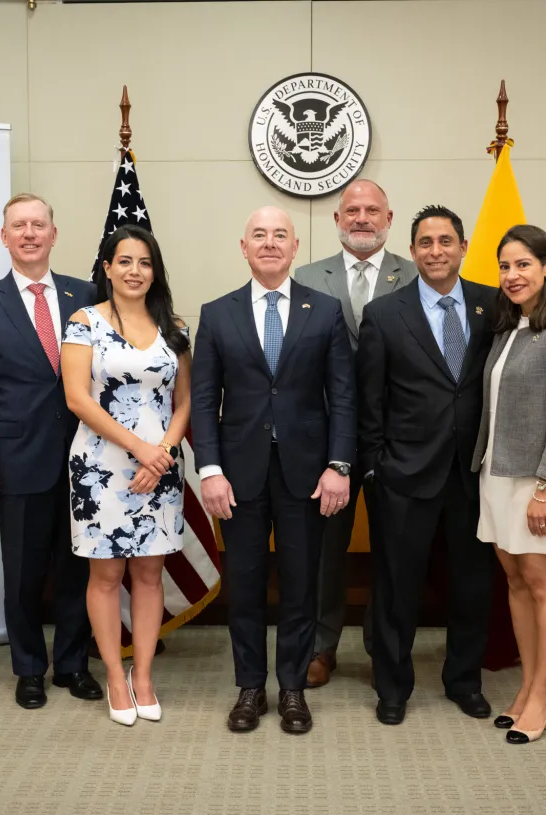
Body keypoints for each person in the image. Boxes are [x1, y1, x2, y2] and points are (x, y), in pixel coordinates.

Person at [191, 206, 355, 735]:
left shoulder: (325, 310)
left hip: (307, 474)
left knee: (302, 585)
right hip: (236, 475)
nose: (268, 243)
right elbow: (202, 400)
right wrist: (210, 468)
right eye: (258, 235)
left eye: (279, 235)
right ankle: (250, 687)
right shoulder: (217, 313)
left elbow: (344, 397)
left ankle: (291, 689)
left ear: (294, 247)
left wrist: (338, 465)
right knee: (244, 583)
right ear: (243, 248)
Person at [0, 193, 102, 710]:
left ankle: (72, 664)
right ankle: (28, 668)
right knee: (22, 574)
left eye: (39, 224)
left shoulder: (85, 295)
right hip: (18, 461)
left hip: (88, 460)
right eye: (19, 226)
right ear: (4, 237)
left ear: (53, 234)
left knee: (78, 568)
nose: (29, 233)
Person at [357, 204, 497, 726]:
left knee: (471, 584)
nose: (435, 251)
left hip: (475, 472)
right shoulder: (385, 314)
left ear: (462, 247)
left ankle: (464, 681)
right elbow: (370, 401)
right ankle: (392, 688)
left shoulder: (493, 304)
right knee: (397, 588)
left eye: (445, 241)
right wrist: (375, 466)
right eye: (425, 243)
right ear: (412, 251)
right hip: (404, 476)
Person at [62, 225, 191, 727]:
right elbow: (77, 398)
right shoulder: (84, 322)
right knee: (106, 574)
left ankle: (143, 676)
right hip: (101, 467)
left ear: (154, 270)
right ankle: (115, 677)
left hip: (159, 467)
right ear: (107, 267)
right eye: (125, 261)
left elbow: (184, 404)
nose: (135, 271)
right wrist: (140, 448)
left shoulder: (173, 325)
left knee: (148, 574)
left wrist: (161, 453)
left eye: (144, 262)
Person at [292, 178, 417, 688]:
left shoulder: (416, 277)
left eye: (373, 211)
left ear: (389, 220)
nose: (362, 218)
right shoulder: (306, 276)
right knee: (326, 548)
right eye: (352, 211)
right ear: (337, 220)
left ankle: (381, 649)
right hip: (328, 438)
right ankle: (322, 646)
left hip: (397, 435)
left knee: (394, 547)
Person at [471, 225, 546, 744]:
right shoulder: (506, 329)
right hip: (498, 476)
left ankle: (542, 695)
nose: (511, 275)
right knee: (516, 584)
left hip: (543, 481)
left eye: (523, 264)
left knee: (545, 585)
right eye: (504, 266)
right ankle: (525, 688)